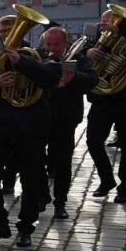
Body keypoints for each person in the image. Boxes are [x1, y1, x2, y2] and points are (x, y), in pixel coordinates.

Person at [0, 15, 60, 248]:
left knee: (30, 180)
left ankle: (26, 227)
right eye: (3, 29)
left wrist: (22, 62)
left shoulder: (38, 55)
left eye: (12, 29)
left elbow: (52, 78)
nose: (8, 33)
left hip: (30, 129)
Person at [85, 8, 126, 203]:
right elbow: (79, 52)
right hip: (102, 99)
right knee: (93, 141)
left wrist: (120, 29)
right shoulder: (98, 38)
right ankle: (107, 180)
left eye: (111, 22)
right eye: (104, 22)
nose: (105, 26)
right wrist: (89, 52)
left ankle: (125, 186)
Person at [40, 25, 95, 219]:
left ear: (65, 43)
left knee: (63, 162)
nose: (52, 48)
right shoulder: (39, 57)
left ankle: (60, 203)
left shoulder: (79, 59)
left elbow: (91, 81)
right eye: (48, 44)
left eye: (56, 44)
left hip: (66, 118)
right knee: (35, 158)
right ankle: (42, 194)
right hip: (39, 116)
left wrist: (73, 76)